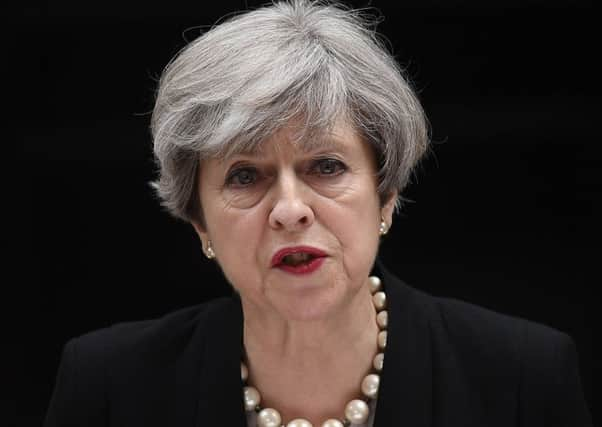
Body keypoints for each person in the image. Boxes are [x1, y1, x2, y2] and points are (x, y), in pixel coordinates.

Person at [44, 1, 591, 426]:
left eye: (325, 166)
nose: (289, 209)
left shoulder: (523, 376)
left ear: (386, 195)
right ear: (200, 223)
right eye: (244, 176)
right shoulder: (109, 387)